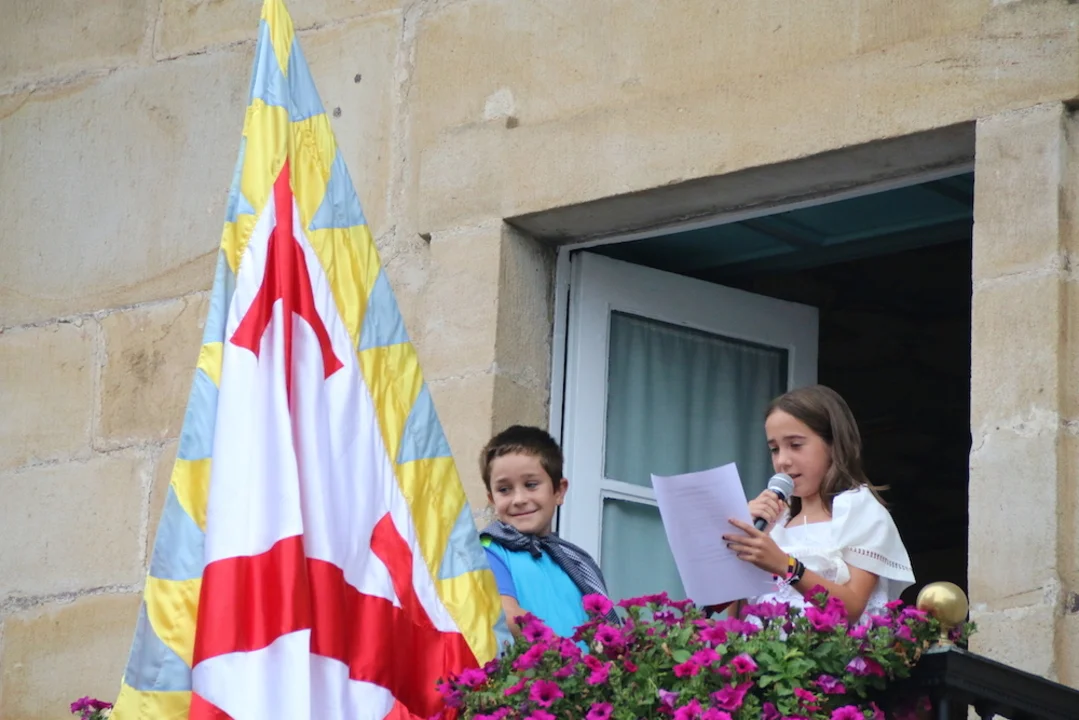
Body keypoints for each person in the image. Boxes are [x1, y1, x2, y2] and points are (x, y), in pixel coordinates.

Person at [722, 385, 915, 624]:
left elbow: (852, 607)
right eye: (774, 449)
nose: (782, 460)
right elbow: (738, 619)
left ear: (833, 445)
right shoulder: (776, 521)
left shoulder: (858, 508)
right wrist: (743, 539)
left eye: (795, 445)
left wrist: (784, 564)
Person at [478, 425, 617, 638]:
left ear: (559, 491)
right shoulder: (488, 551)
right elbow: (506, 614)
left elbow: (607, 630)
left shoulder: (576, 562)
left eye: (531, 484)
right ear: (492, 499)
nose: (519, 499)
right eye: (504, 489)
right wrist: (563, 653)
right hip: (541, 660)